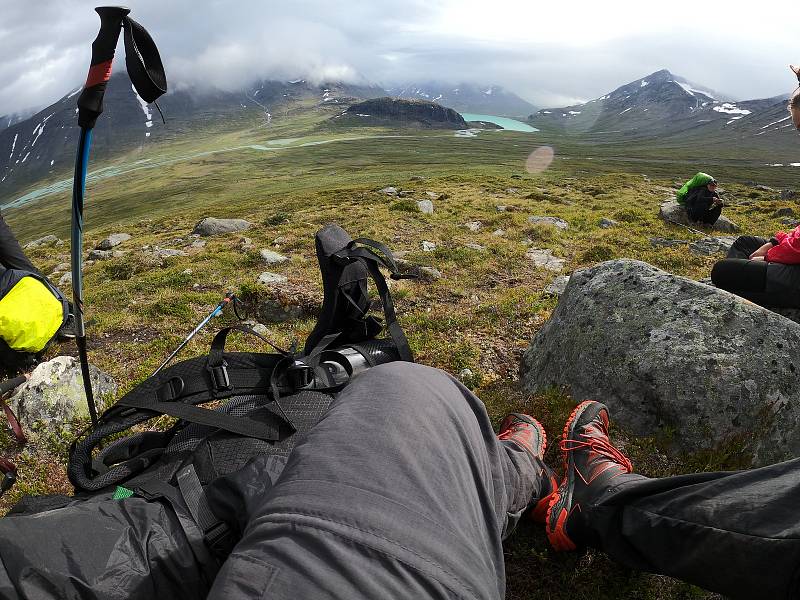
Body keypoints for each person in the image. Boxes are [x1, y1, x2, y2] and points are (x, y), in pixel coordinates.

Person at [710, 227, 800, 307]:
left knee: (720, 271)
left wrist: (767, 257)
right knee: (743, 242)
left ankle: (737, 285)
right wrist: (773, 243)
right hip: (791, 251)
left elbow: (795, 251)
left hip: (795, 273)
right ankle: (740, 281)